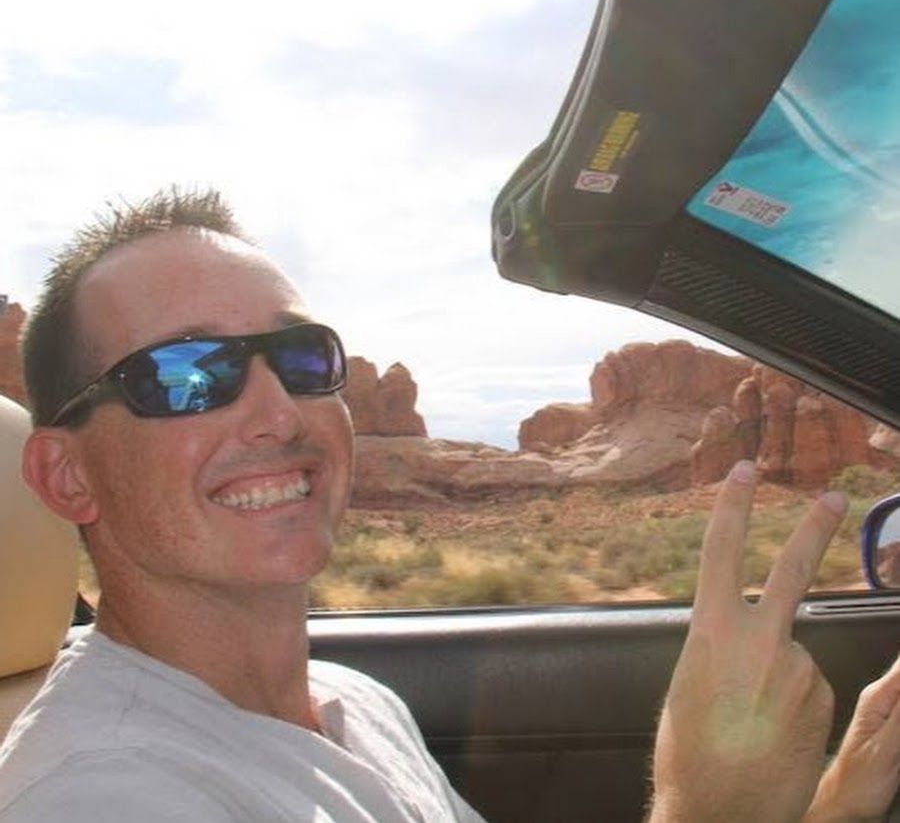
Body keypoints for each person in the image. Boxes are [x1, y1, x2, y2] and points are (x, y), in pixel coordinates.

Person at [0, 186, 893, 822]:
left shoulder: (351, 704)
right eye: (186, 375)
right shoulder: (96, 794)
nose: (279, 413)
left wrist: (837, 809)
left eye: (304, 360)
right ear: (66, 476)